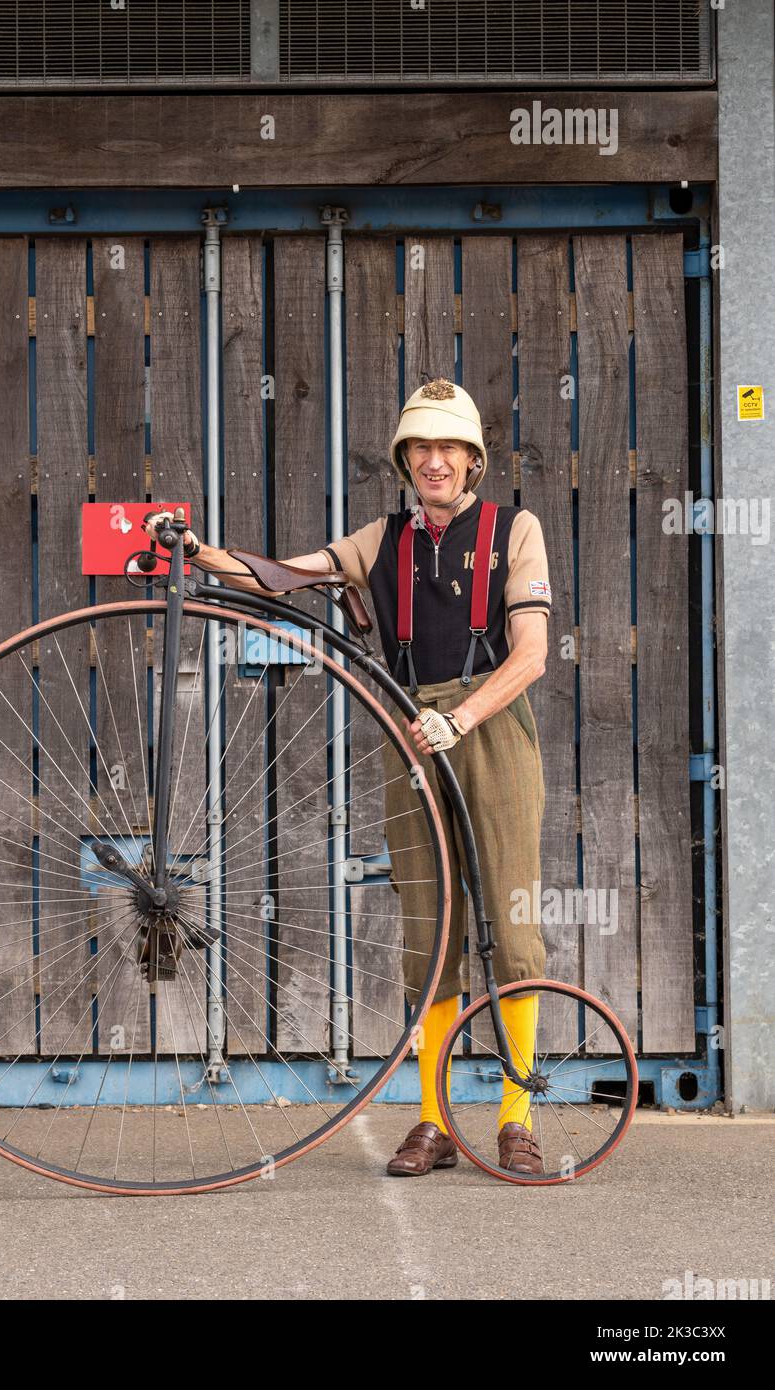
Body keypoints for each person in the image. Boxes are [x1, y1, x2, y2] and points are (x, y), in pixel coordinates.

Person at [144, 378, 551, 1176]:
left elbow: (531, 653)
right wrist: (196, 553)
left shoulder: (514, 529)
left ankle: (515, 1116)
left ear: (472, 460)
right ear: (406, 459)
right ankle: (432, 1122)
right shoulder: (382, 539)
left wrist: (460, 718)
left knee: (511, 927)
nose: (434, 462)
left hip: (490, 732)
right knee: (427, 934)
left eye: (449, 449)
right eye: (420, 448)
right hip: (411, 738)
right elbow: (279, 577)